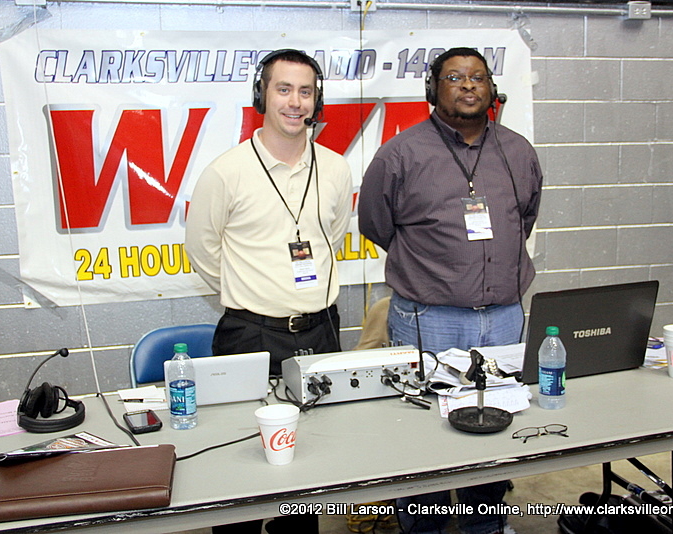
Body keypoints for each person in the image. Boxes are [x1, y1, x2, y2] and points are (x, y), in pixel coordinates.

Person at [358, 47, 543, 534]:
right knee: (426, 437)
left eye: (478, 77)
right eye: (455, 77)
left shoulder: (518, 151)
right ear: (433, 90)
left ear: (491, 90)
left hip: (503, 316)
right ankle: (424, 526)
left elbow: (524, 218)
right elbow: (376, 224)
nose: (468, 86)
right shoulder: (400, 154)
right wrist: (435, 264)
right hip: (429, 318)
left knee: (493, 426)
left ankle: (484, 523)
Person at [185, 49, 352, 534]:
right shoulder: (227, 171)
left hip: (320, 334)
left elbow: (332, 236)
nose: (295, 102)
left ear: (317, 100)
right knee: (237, 472)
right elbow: (202, 250)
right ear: (262, 95)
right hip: (249, 335)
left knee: (305, 477)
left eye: (306, 91)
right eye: (284, 89)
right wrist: (250, 291)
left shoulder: (336, 169)